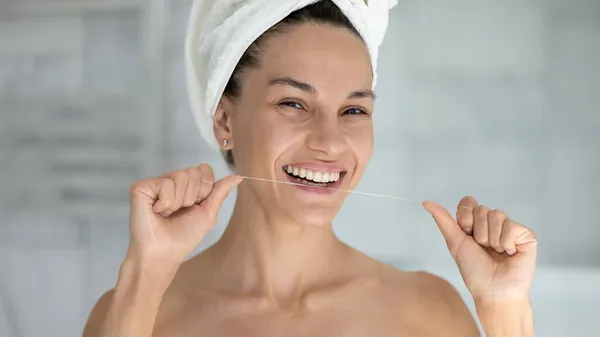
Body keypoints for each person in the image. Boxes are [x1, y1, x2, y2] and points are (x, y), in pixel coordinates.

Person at [82, 1, 538, 336]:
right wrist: (146, 274)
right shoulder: (137, 313)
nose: (330, 141)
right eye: (294, 103)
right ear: (225, 119)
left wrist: (505, 310)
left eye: (354, 110)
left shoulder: (428, 314)